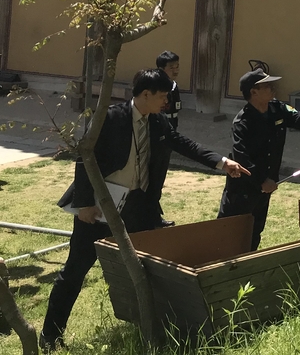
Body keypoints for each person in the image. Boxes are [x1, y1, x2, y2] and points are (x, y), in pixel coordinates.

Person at [40, 70, 248, 352]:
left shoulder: (158, 122)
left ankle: (150, 328)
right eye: (162, 96)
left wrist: (222, 162)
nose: (166, 102)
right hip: (102, 204)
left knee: (145, 270)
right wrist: (84, 204)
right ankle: (51, 336)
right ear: (145, 95)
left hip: (139, 207)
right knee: (76, 268)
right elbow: (84, 159)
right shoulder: (111, 118)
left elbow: (183, 144)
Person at [217, 68, 300, 251]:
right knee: (232, 230)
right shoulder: (242, 123)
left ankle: (249, 263)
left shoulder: (277, 109)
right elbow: (241, 157)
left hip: (266, 186)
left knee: (256, 229)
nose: (273, 88)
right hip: (244, 187)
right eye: (267, 86)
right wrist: (262, 180)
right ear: (254, 92)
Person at [155, 50, 181, 227]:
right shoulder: (156, 86)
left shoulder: (174, 86)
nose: (175, 70)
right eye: (171, 67)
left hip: (170, 131)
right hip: (157, 132)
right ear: (161, 68)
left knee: (160, 174)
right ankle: (153, 215)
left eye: (177, 66)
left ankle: (155, 215)